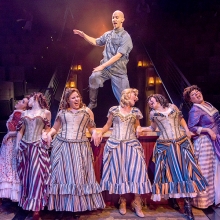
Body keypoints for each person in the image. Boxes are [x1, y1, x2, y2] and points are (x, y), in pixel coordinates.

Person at [142, 94, 208, 220]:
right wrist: (141, 128)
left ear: (159, 99)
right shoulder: (153, 114)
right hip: (165, 145)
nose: (150, 103)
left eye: (152, 100)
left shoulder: (172, 107)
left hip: (180, 142)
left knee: (187, 172)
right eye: (149, 102)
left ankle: (188, 207)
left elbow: (181, 119)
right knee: (169, 173)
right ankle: (172, 200)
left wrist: (187, 130)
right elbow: (153, 127)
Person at [94, 88, 152, 218]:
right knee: (120, 173)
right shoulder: (114, 110)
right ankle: (123, 201)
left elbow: (137, 125)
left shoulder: (136, 111)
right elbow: (107, 125)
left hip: (132, 144)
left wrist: (139, 128)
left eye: (137, 95)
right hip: (116, 144)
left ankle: (137, 202)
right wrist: (99, 133)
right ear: (126, 95)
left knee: (138, 172)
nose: (136, 97)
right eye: (134, 95)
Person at [46, 88, 105, 214]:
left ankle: (77, 206)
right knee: (62, 176)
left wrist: (95, 132)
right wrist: (48, 135)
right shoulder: (62, 112)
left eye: (77, 97)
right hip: (62, 146)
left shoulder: (86, 111)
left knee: (78, 176)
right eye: (73, 97)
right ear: (68, 100)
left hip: (80, 146)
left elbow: (91, 128)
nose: (76, 99)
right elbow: (55, 128)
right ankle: (63, 206)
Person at [73, 10, 133, 109]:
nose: (114, 19)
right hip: (106, 69)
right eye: (113, 17)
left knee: (126, 100)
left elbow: (118, 55)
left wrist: (102, 66)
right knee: (94, 77)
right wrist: (84, 35)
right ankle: (93, 102)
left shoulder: (126, 37)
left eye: (117, 17)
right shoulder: (108, 34)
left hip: (119, 71)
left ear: (122, 19)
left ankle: (128, 117)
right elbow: (96, 42)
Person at [183, 85, 220, 208]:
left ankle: (215, 199)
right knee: (205, 171)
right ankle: (204, 201)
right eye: (192, 95)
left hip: (215, 141)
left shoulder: (208, 105)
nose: (196, 94)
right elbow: (192, 127)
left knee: (215, 169)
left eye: (197, 92)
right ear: (190, 100)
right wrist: (208, 131)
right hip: (205, 142)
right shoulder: (195, 109)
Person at [16, 93, 51, 220]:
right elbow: (20, 130)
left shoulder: (45, 112)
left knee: (37, 177)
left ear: (35, 98)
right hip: (25, 148)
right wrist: (16, 146)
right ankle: (28, 205)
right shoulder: (25, 114)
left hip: (38, 147)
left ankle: (37, 210)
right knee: (27, 177)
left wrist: (44, 134)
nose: (27, 101)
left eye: (29, 98)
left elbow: (48, 129)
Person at [0, 97, 29, 202]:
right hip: (8, 145)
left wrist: (9, 134)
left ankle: (11, 195)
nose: (19, 102)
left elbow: (21, 131)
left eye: (23, 102)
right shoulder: (16, 113)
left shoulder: (19, 114)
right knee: (9, 168)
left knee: (11, 167)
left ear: (25, 107)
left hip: (12, 145)